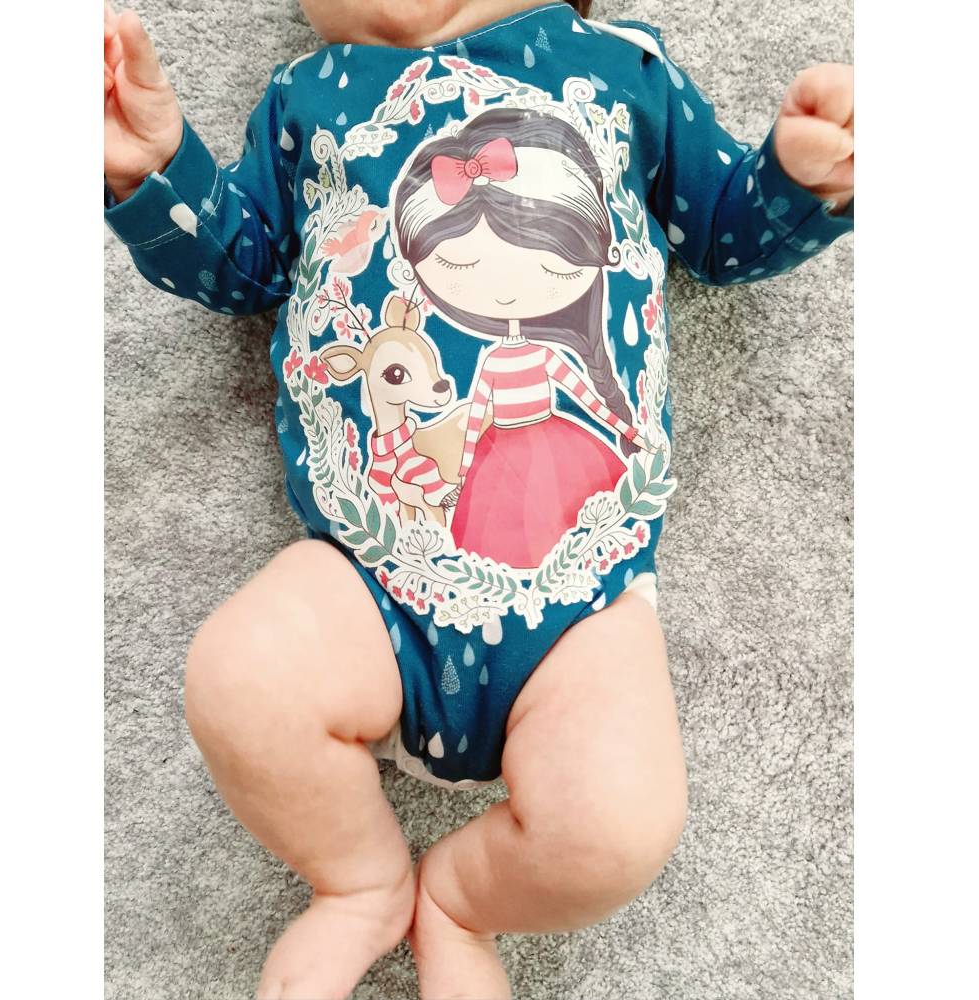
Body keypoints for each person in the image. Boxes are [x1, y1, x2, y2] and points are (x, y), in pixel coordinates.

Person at [103, 1, 853, 997]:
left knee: (618, 828)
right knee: (239, 678)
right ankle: (358, 880)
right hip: (364, 587)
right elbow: (241, 266)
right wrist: (153, 170)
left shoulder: (619, 69)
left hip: (582, 600)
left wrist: (799, 178)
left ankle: (464, 903)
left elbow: (721, 232)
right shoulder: (306, 97)